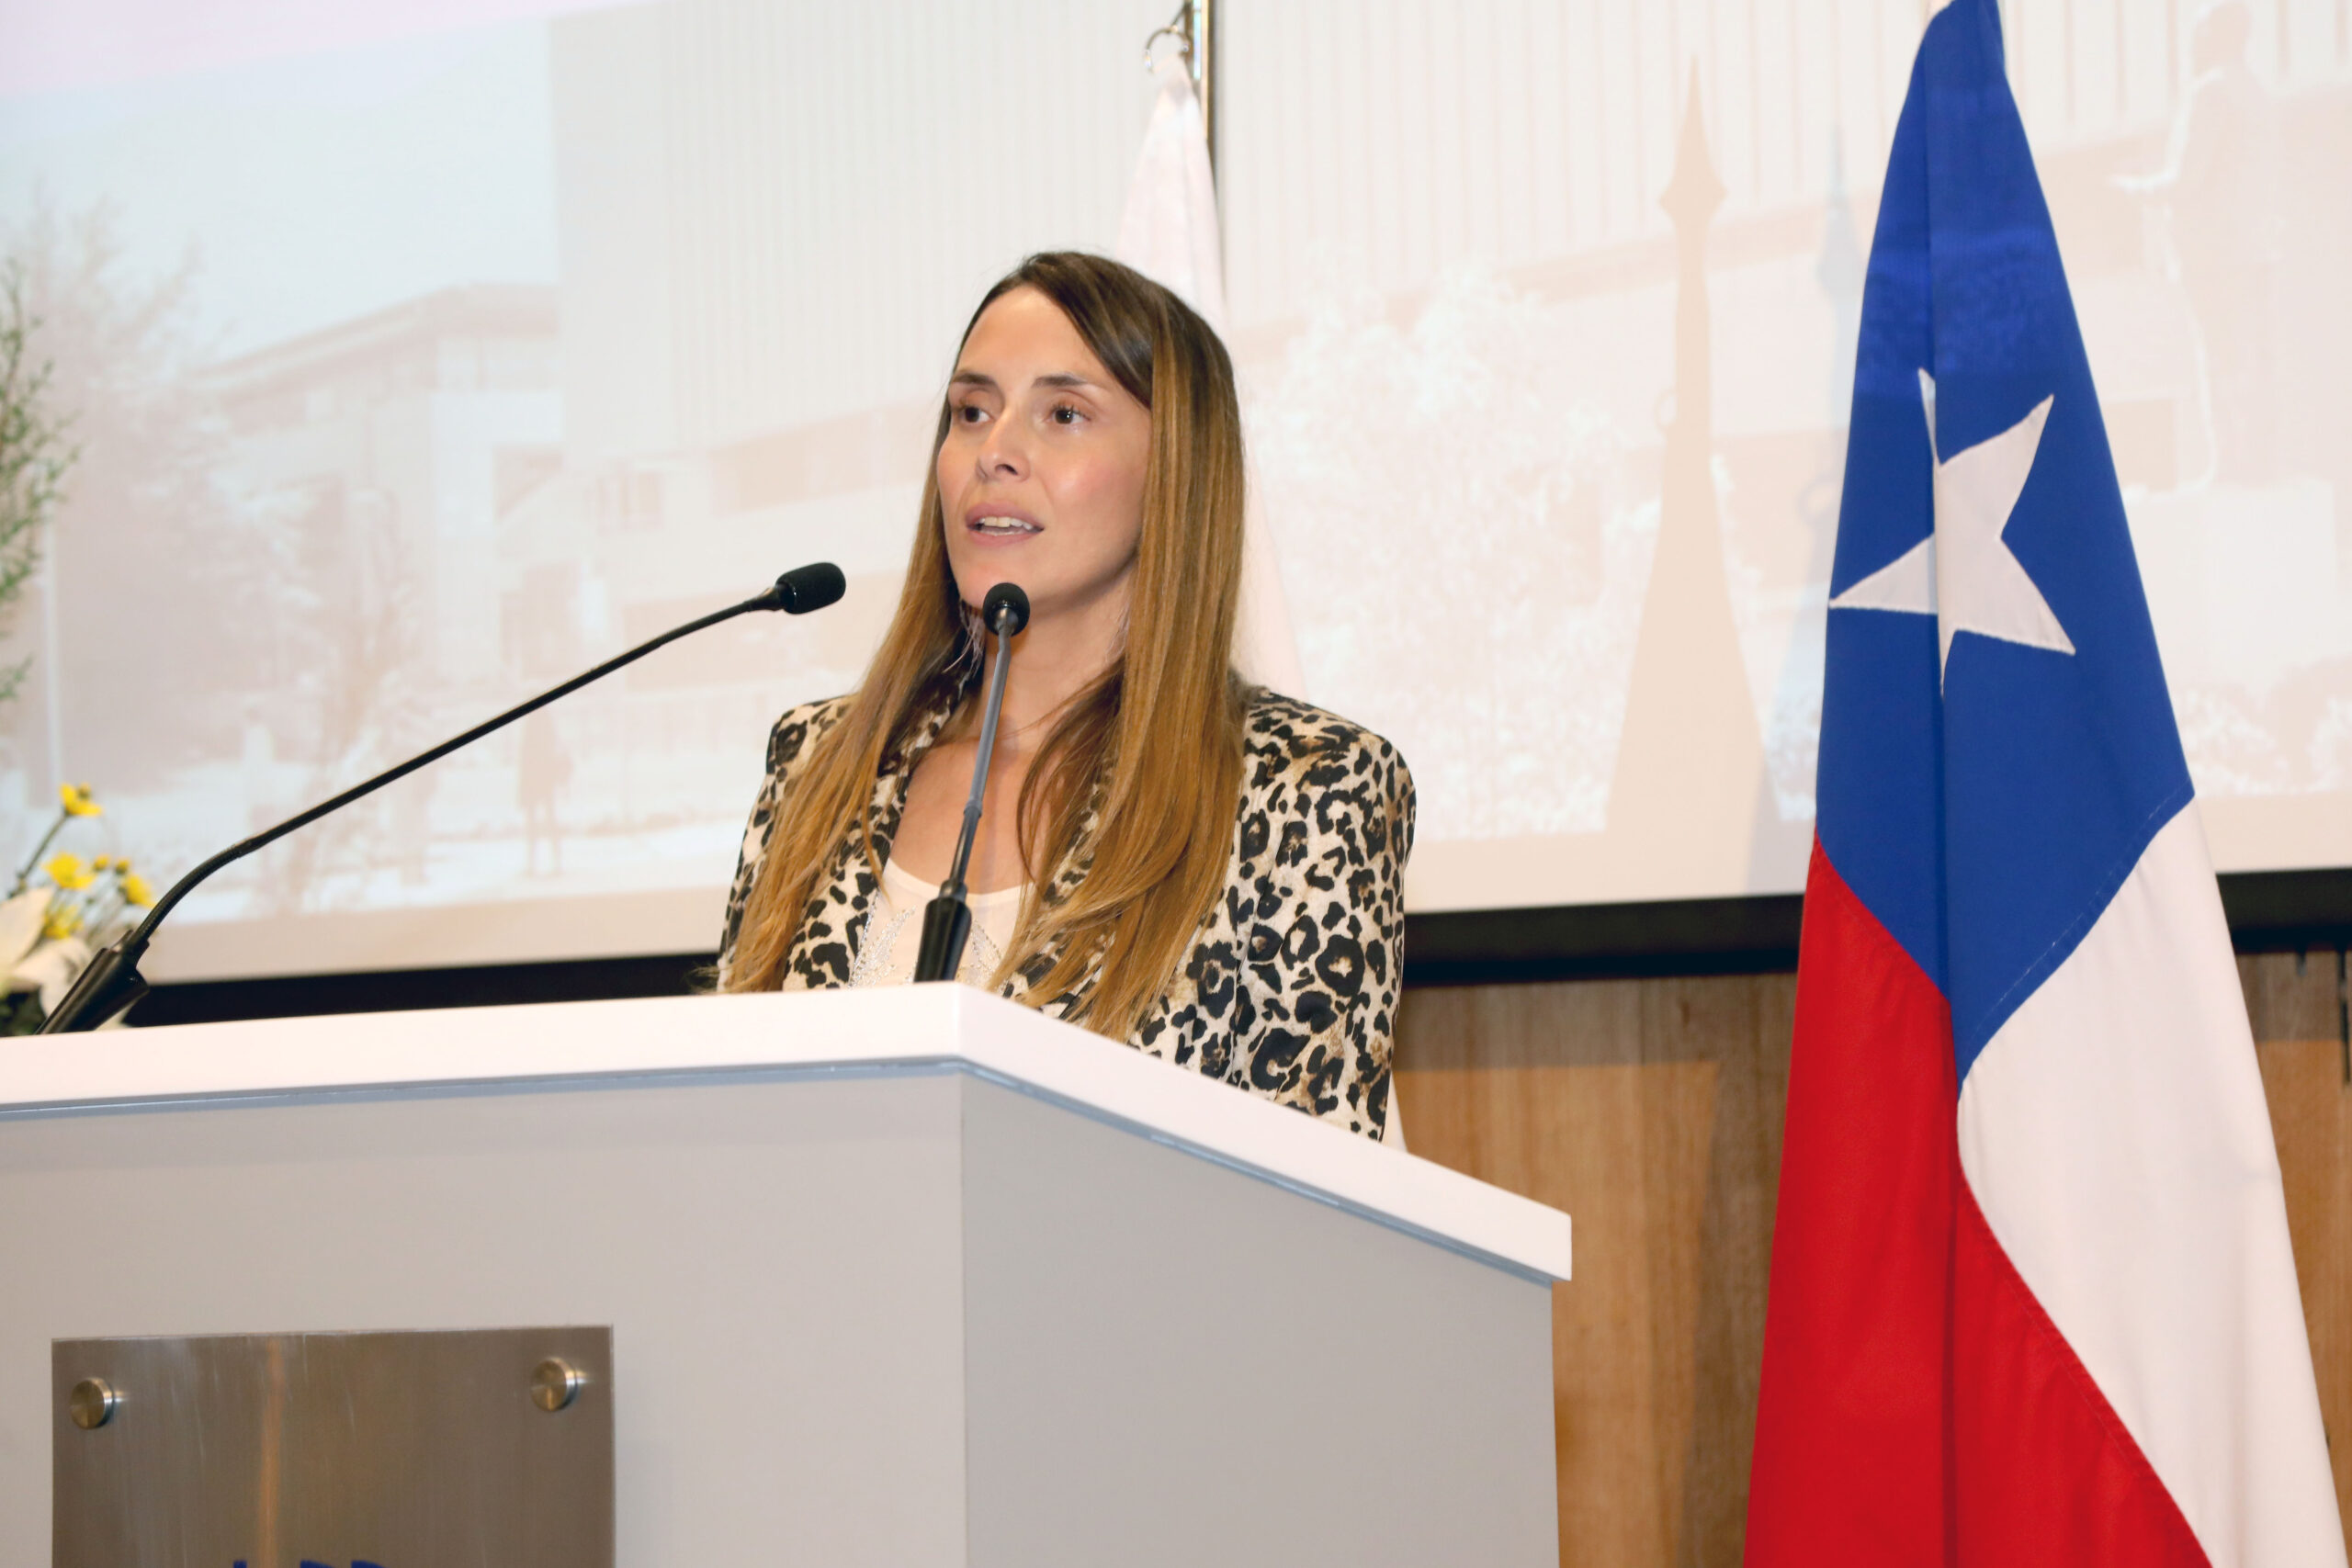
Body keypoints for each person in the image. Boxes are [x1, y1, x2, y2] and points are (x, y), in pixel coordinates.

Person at [716, 253, 1413, 1143]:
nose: (993, 452)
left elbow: (1312, 1189)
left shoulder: (1308, 790)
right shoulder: (818, 761)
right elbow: (729, 1123)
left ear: (1174, 470)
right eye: (972, 411)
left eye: (1063, 414)